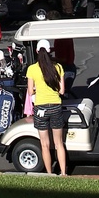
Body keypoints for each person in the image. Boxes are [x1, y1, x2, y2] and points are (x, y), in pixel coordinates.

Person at [26, 38, 69, 176]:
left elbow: (30, 91)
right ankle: (63, 173)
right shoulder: (58, 67)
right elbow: (62, 91)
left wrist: (38, 89)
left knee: (45, 144)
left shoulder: (32, 69)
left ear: (37, 51)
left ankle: (50, 173)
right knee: (59, 143)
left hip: (41, 108)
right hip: (56, 106)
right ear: (50, 51)